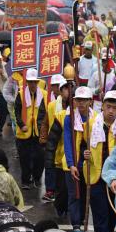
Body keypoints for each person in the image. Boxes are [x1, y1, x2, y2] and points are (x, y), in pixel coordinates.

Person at [85, 90, 116, 232]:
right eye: (108, 106)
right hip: (96, 176)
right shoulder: (91, 123)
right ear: (102, 106)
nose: (111, 111)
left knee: (112, 216)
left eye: (115, 108)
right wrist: (83, 155)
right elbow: (80, 144)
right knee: (100, 215)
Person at [63, 86, 95, 232]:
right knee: (74, 193)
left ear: (90, 101)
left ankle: (82, 218)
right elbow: (68, 141)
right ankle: (76, 224)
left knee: (85, 192)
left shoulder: (96, 118)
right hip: (73, 161)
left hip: (89, 161)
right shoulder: (69, 117)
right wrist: (71, 164)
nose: (81, 103)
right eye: (78, 100)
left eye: (84, 100)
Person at [14, 68, 47, 189]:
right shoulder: (21, 94)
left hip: (39, 133)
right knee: (24, 158)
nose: (32, 84)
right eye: (30, 82)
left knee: (40, 158)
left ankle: (37, 178)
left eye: (35, 82)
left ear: (38, 82)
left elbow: (45, 113)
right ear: (26, 82)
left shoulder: (44, 94)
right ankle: (26, 181)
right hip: (24, 132)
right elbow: (16, 111)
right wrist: (21, 124)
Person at [45, 80, 71, 212]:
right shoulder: (52, 106)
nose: (68, 91)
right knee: (61, 187)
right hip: (59, 154)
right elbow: (46, 123)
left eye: (70, 88)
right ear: (61, 91)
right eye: (65, 88)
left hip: (74, 157)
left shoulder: (80, 110)